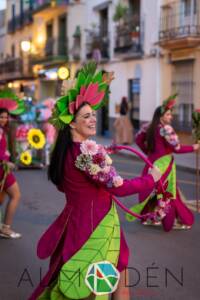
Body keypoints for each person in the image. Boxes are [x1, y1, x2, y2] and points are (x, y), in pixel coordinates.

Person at [29, 63, 161, 300]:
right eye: (86, 116)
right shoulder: (87, 152)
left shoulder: (66, 151)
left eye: (93, 115)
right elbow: (118, 188)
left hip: (79, 223)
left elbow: (65, 185)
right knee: (96, 288)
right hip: (95, 228)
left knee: (111, 278)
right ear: (72, 122)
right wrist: (149, 180)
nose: (93, 120)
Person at [135, 94, 199, 231]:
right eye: (169, 114)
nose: (171, 117)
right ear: (161, 116)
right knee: (169, 192)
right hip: (164, 165)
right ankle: (180, 220)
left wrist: (148, 152)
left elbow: (138, 140)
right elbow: (178, 148)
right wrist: (195, 147)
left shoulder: (148, 127)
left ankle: (148, 217)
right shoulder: (166, 129)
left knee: (150, 190)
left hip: (152, 163)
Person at [0, 108, 21, 238]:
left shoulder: (2, 131)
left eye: (6, 117)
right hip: (2, 169)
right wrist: (5, 162)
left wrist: (6, 154)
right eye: (1, 117)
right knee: (16, 195)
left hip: (3, 167)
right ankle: (6, 228)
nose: (4, 120)